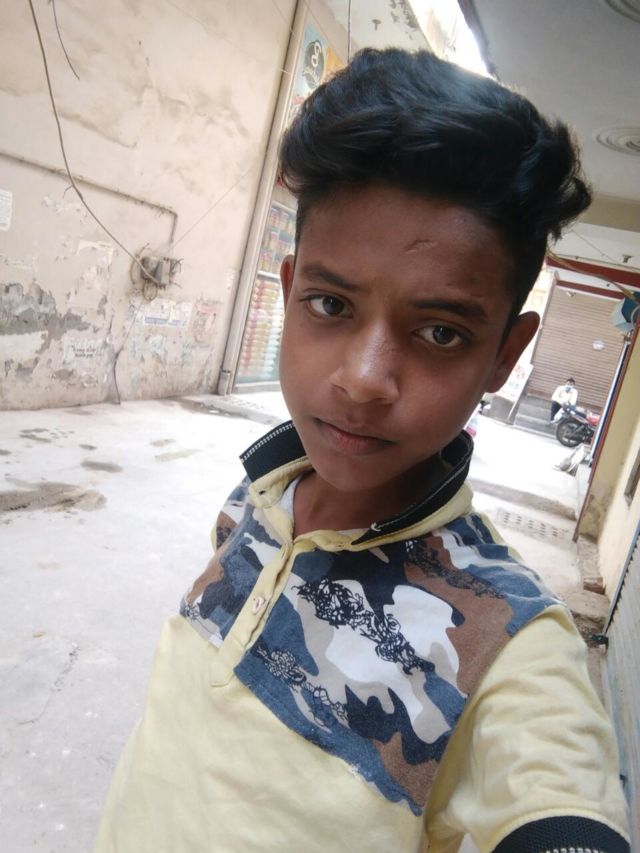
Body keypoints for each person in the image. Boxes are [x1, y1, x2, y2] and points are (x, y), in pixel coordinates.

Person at [95, 49, 630, 853]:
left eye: (440, 331)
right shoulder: (261, 495)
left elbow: (558, 799)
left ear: (504, 356)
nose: (364, 378)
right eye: (331, 304)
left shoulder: (508, 643)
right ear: (289, 292)